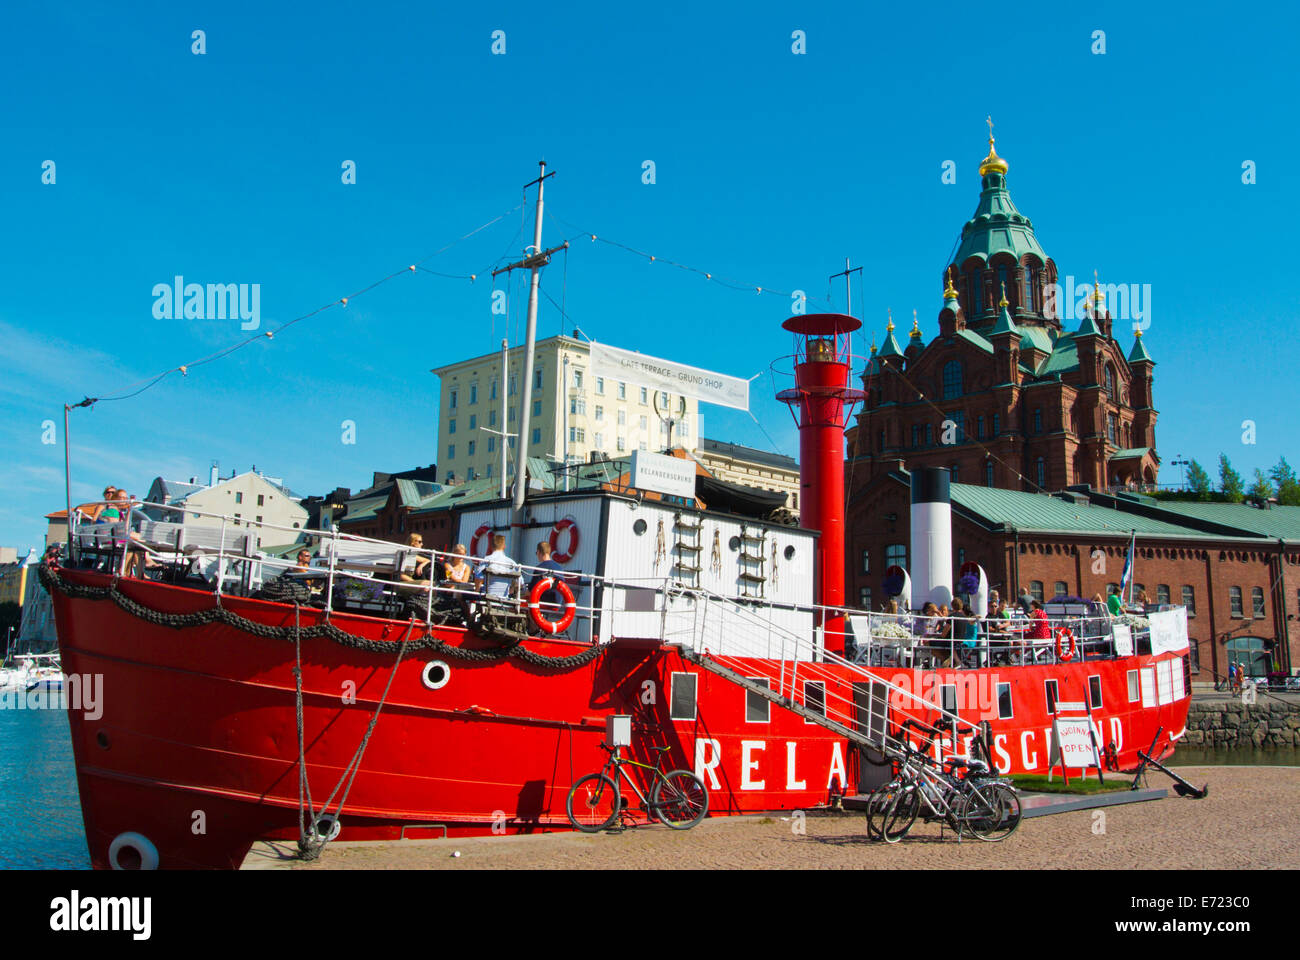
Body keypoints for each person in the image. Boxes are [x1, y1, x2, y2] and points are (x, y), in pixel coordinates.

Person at [476, 534, 521, 599]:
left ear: (491, 547)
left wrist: (476, 592)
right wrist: (512, 588)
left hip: (487, 597)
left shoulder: (486, 560)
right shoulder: (512, 563)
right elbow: (520, 583)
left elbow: (478, 579)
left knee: (459, 595)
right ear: (504, 546)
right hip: (504, 598)